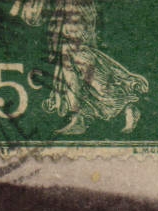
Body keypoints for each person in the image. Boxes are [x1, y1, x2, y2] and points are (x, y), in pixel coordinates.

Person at [16, 0, 147, 135]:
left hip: (76, 8)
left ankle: (116, 104)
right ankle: (82, 115)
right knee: (72, 58)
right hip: (68, 11)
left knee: (76, 55)